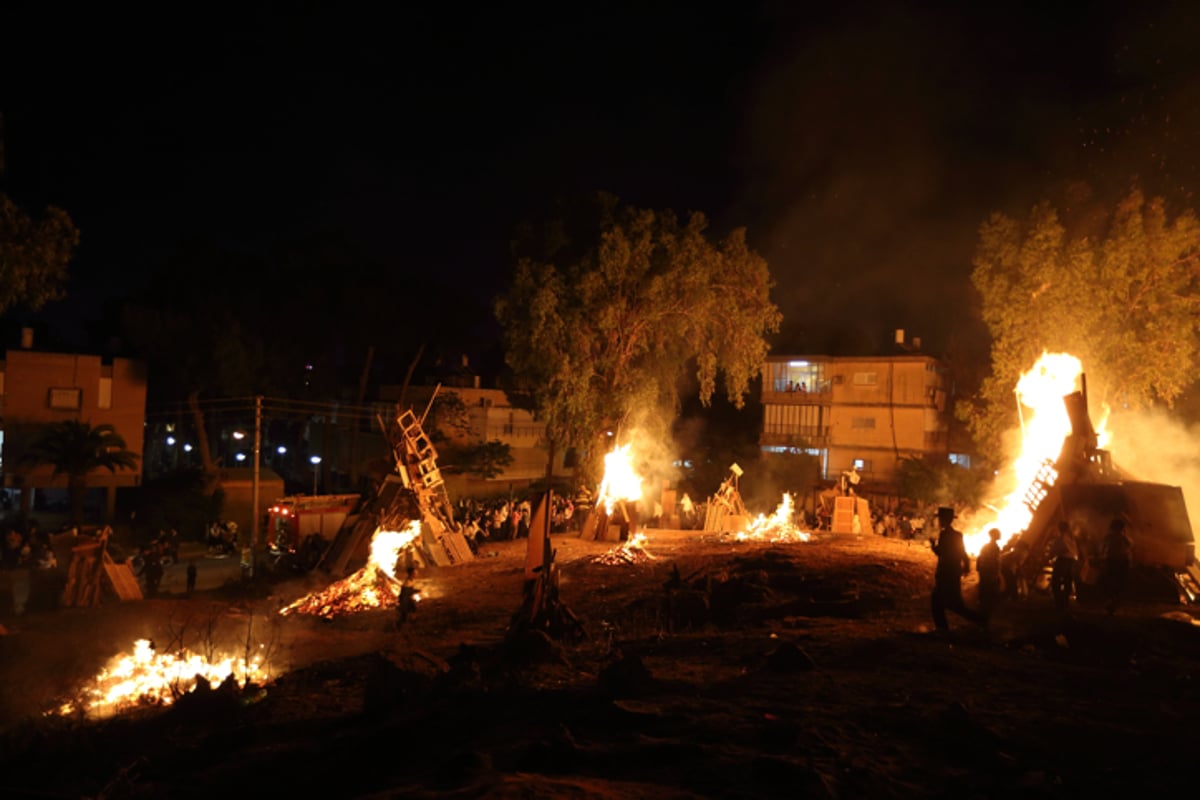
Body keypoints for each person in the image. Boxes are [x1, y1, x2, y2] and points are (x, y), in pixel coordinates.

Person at [929, 506, 987, 632]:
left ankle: (943, 629)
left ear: (944, 520)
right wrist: (966, 567)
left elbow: (942, 552)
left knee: (939, 601)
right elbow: (962, 552)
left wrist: (933, 546)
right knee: (952, 604)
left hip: (945, 572)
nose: (939, 521)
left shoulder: (944, 535)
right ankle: (980, 620)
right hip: (954, 572)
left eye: (940, 518)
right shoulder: (957, 535)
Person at [1100, 517, 1133, 614]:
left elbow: (1102, 548)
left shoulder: (1109, 537)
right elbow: (1130, 546)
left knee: (1110, 583)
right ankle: (1114, 602)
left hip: (1112, 562)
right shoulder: (1124, 538)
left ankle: (1111, 603)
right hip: (1121, 563)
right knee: (1118, 584)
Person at [1050, 521, 1079, 612]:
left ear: (1059, 528)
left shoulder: (1061, 538)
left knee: (1056, 582)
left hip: (1063, 561)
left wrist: (1051, 555)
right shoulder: (1071, 538)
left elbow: (1059, 550)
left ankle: (1059, 603)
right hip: (1071, 561)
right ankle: (1065, 602)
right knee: (1067, 582)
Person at [976, 527, 1003, 615]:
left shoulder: (985, 546)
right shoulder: (995, 548)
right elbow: (996, 561)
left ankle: (982, 604)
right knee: (990, 587)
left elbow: (979, 557)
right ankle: (988, 607)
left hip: (983, 569)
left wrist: (978, 568)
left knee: (983, 586)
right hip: (990, 570)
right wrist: (998, 572)